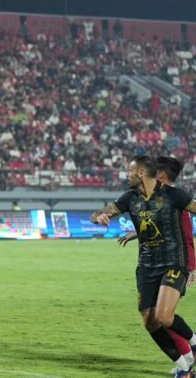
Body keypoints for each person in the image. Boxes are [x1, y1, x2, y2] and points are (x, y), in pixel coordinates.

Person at [92, 155, 196, 377]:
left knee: (164, 317)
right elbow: (100, 213)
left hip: (173, 262)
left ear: (140, 173)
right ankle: (183, 367)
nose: (126, 175)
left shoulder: (173, 195)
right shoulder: (129, 198)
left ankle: (194, 342)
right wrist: (100, 216)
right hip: (147, 267)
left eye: (129, 171)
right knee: (150, 322)